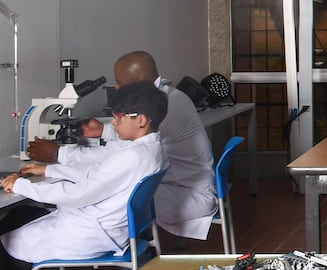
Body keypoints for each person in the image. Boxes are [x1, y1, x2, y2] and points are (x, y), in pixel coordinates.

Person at [26, 51, 216, 241]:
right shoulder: (169, 96)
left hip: (188, 193)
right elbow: (139, 132)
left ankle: (107, 242)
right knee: (104, 189)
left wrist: (60, 154)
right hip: (181, 184)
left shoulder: (168, 106)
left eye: (119, 82)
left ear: (138, 82)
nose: (116, 87)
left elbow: (118, 153)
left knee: (113, 194)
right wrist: (103, 130)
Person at [0, 82, 168, 270]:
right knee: (20, 214)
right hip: (105, 228)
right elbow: (97, 173)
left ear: (141, 120)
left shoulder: (133, 156)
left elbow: (77, 194)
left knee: (9, 242)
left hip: (86, 235)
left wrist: (20, 186)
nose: (113, 123)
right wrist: (49, 171)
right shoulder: (154, 149)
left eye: (119, 119)